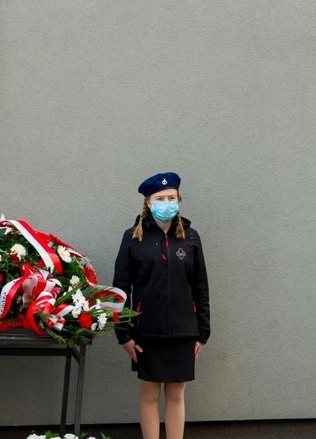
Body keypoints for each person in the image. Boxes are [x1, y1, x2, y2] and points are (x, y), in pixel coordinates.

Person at [113, 172, 210, 439]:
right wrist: (124, 334)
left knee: (176, 394)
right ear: (148, 202)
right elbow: (121, 289)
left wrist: (202, 331)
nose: (166, 202)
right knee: (150, 393)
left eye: (171, 197)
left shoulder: (190, 238)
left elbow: (201, 287)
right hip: (147, 331)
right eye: (160, 198)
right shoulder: (132, 238)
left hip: (183, 331)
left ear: (178, 199)